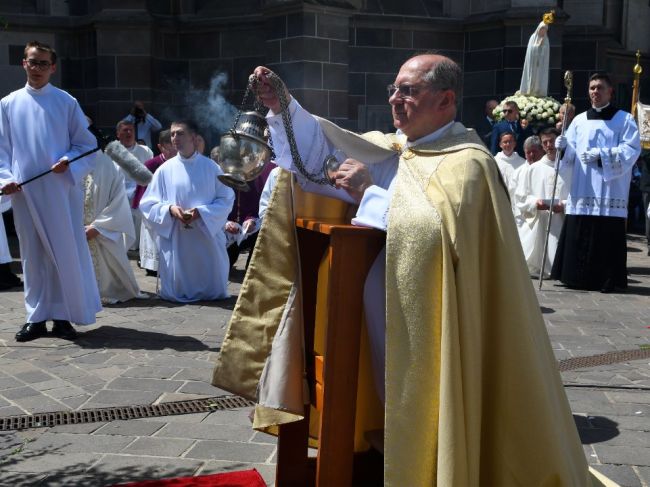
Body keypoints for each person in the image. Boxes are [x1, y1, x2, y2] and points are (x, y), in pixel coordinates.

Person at [213, 55, 592, 485]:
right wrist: (283, 108)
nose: (395, 98)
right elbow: (323, 159)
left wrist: (367, 194)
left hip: (438, 322)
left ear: (446, 100)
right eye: (394, 89)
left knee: (432, 405)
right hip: (387, 314)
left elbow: (433, 230)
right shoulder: (396, 149)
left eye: (408, 91)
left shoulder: (469, 164)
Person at [0, 41, 100, 342]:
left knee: (62, 253)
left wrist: (67, 162)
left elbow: (86, 145)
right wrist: (6, 178)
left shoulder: (65, 102)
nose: (38, 68)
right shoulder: (8, 104)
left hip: (59, 191)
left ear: (53, 67)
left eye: (44, 63)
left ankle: (62, 316)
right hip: (25, 193)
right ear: (24, 64)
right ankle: (36, 317)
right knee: (31, 254)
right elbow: (2, 150)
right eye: (33, 62)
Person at [553, 72, 641, 292]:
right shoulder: (579, 121)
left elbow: (631, 150)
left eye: (600, 88)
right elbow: (569, 158)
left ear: (610, 91)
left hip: (610, 190)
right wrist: (562, 147)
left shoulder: (624, 119)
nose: (595, 92)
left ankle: (607, 279)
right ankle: (575, 278)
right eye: (592, 88)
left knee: (606, 236)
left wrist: (601, 155)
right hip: (583, 188)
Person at [139, 120, 234, 302]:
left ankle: (210, 289)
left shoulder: (212, 168)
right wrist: (170, 210)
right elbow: (148, 204)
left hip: (205, 234)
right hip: (177, 235)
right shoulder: (164, 170)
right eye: (173, 134)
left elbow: (226, 198)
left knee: (211, 288)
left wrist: (202, 212)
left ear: (193, 137)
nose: (175, 138)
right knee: (178, 286)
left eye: (180, 133)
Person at [83, 125, 142, 304]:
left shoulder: (110, 167)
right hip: (76, 230)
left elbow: (119, 202)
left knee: (108, 278)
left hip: (101, 231)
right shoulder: (72, 167)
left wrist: (99, 227)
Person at [515, 128, 572, 277]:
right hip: (539, 220)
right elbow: (521, 198)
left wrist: (565, 205)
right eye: (545, 142)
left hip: (562, 220)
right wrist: (535, 203)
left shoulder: (570, 168)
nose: (549, 145)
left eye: (552, 141)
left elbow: (578, 196)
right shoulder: (533, 169)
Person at [132, 129, 177, 276]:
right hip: (153, 211)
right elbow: (142, 191)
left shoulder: (180, 163)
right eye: (169, 145)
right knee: (153, 243)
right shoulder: (151, 164)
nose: (174, 148)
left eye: (174, 144)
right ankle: (152, 265)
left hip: (173, 211)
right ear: (160, 146)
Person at [222, 162, 275, 270]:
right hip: (227, 233)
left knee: (261, 235)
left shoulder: (254, 186)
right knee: (224, 266)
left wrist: (251, 221)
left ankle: (251, 268)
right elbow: (219, 210)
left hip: (247, 233)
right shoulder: (224, 188)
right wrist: (226, 223)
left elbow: (257, 209)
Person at [112, 120, 153, 250]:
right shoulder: (111, 150)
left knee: (139, 221)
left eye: (131, 130)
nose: (129, 133)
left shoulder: (145, 151)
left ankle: (139, 248)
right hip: (118, 193)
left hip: (139, 192)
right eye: (125, 130)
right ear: (118, 134)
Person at [519, 20, 550, 97]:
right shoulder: (533, 37)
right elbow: (530, 51)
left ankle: (538, 92)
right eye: (542, 29)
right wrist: (538, 45)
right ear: (539, 29)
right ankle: (529, 91)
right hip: (532, 64)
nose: (543, 31)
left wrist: (542, 47)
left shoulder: (546, 39)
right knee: (531, 78)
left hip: (540, 64)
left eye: (545, 29)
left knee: (538, 79)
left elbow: (546, 53)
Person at [494, 132, 525, 199]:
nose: (508, 144)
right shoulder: (494, 161)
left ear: (514, 144)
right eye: (505, 142)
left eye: (510, 142)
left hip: (517, 199)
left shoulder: (522, 162)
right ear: (500, 144)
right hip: (500, 198)